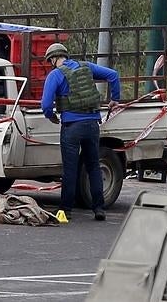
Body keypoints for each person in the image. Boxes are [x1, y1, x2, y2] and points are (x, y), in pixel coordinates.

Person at [40, 43, 120, 221]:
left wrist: (51, 116)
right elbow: (113, 75)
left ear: (53, 59)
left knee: (70, 169)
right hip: (92, 124)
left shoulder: (55, 75)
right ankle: (99, 209)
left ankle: (65, 210)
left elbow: (45, 105)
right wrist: (115, 99)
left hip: (71, 127)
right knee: (93, 166)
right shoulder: (87, 67)